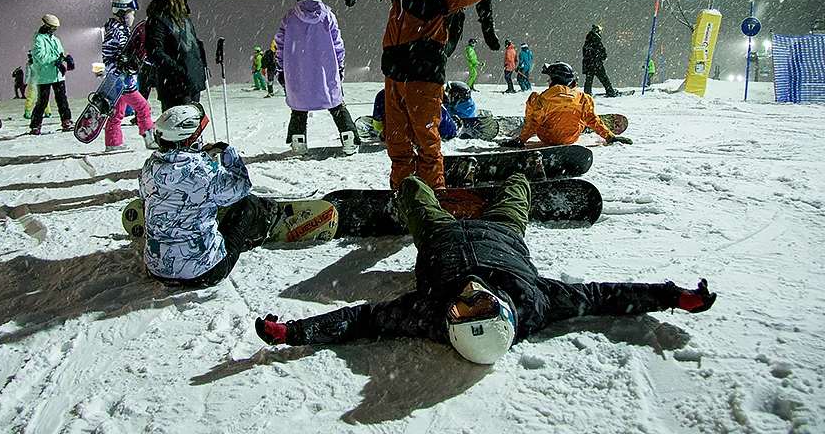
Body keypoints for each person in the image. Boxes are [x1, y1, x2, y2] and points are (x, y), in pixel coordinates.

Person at [255, 170, 717, 364]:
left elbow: (362, 319)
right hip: (502, 232)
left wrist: (294, 333)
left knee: (412, 186)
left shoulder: (430, 313)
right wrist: (672, 296)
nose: (467, 295)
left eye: (460, 309)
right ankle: (500, 179)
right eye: (481, 303)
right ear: (505, 311)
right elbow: (604, 297)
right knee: (518, 186)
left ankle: (427, 191)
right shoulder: (538, 303)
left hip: (438, 234)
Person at [307, 0, 495, 188]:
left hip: (423, 77)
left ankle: (434, 197)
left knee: (427, 144)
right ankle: (403, 192)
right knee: (397, 143)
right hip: (394, 74)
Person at [139, 103, 280, 287]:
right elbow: (243, 186)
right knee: (248, 203)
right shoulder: (205, 172)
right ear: (188, 139)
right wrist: (228, 153)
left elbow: (146, 195)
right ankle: (264, 226)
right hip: (205, 272)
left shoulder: (150, 167)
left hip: (157, 269)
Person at [275, 0, 360, 154]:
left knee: (299, 107)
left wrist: (281, 68)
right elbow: (338, 44)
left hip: (298, 71)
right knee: (336, 104)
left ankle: (298, 144)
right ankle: (349, 139)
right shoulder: (327, 15)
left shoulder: (290, 17)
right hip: (326, 70)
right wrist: (340, 66)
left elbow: (280, 45)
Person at [501, 62, 632, 148]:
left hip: (547, 137)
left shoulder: (542, 99)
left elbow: (534, 122)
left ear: (556, 79)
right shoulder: (583, 98)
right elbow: (593, 119)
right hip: (571, 138)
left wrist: (521, 140)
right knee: (586, 117)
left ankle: (550, 123)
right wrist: (610, 137)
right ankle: (576, 123)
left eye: (550, 77)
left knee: (534, 103)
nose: (548, 80)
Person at [146, 0, 207, 112]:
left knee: (193, 130)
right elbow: (155, 52)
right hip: (175, 87)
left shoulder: (183, 16)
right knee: (178, 132)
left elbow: (191, 43)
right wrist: (179, 71)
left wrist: (200, 64)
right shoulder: (158, 18)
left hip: (192, 82)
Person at [102, 0, 157, 152]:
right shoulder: (115, 32)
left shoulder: (122, 30)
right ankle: (150, 139)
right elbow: (108, 58)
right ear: (121, 13)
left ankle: (113, 143)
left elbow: (133, 54)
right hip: (122, 81)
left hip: (122, 80)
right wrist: (121, 67)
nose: (132, 16)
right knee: (143, 107)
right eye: (130, 13)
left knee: (117, 112)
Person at [28, 14, 73, 135]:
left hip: (57, 75)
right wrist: (56, 59)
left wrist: (66, 57)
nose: (53, 31)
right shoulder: (38, 40)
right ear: (45, 26)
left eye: (55, 29)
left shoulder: (55, 40)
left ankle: (66, 121)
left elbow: (60, 52)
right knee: (42, 102)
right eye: (52, 28)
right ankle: (35, 125)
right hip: (44, 76)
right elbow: (41, 57)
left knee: (62, 99)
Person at [370, 88, 457, 142]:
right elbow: (447, 128)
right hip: (425, 138)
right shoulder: (429, 92)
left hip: (396, 137)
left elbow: (377, 125)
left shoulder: (383, 95)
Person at [582, 24, 620, 97]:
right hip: (596, 63)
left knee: (589, 79)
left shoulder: (588, 41)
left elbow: (586, 52)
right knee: (603, 78)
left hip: (589, 63)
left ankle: (587, 93)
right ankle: (610, 91)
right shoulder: (596, 40)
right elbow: (600, 51)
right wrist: (602, 56)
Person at [22, 52, 51, 119]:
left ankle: (27, 112)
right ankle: (47, 112)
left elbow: (27, 75)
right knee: (43, 97)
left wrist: (25, 83)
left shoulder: (29, 65)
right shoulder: (40, 63)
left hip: (32, 82)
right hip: (41, 81)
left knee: (30, 97)